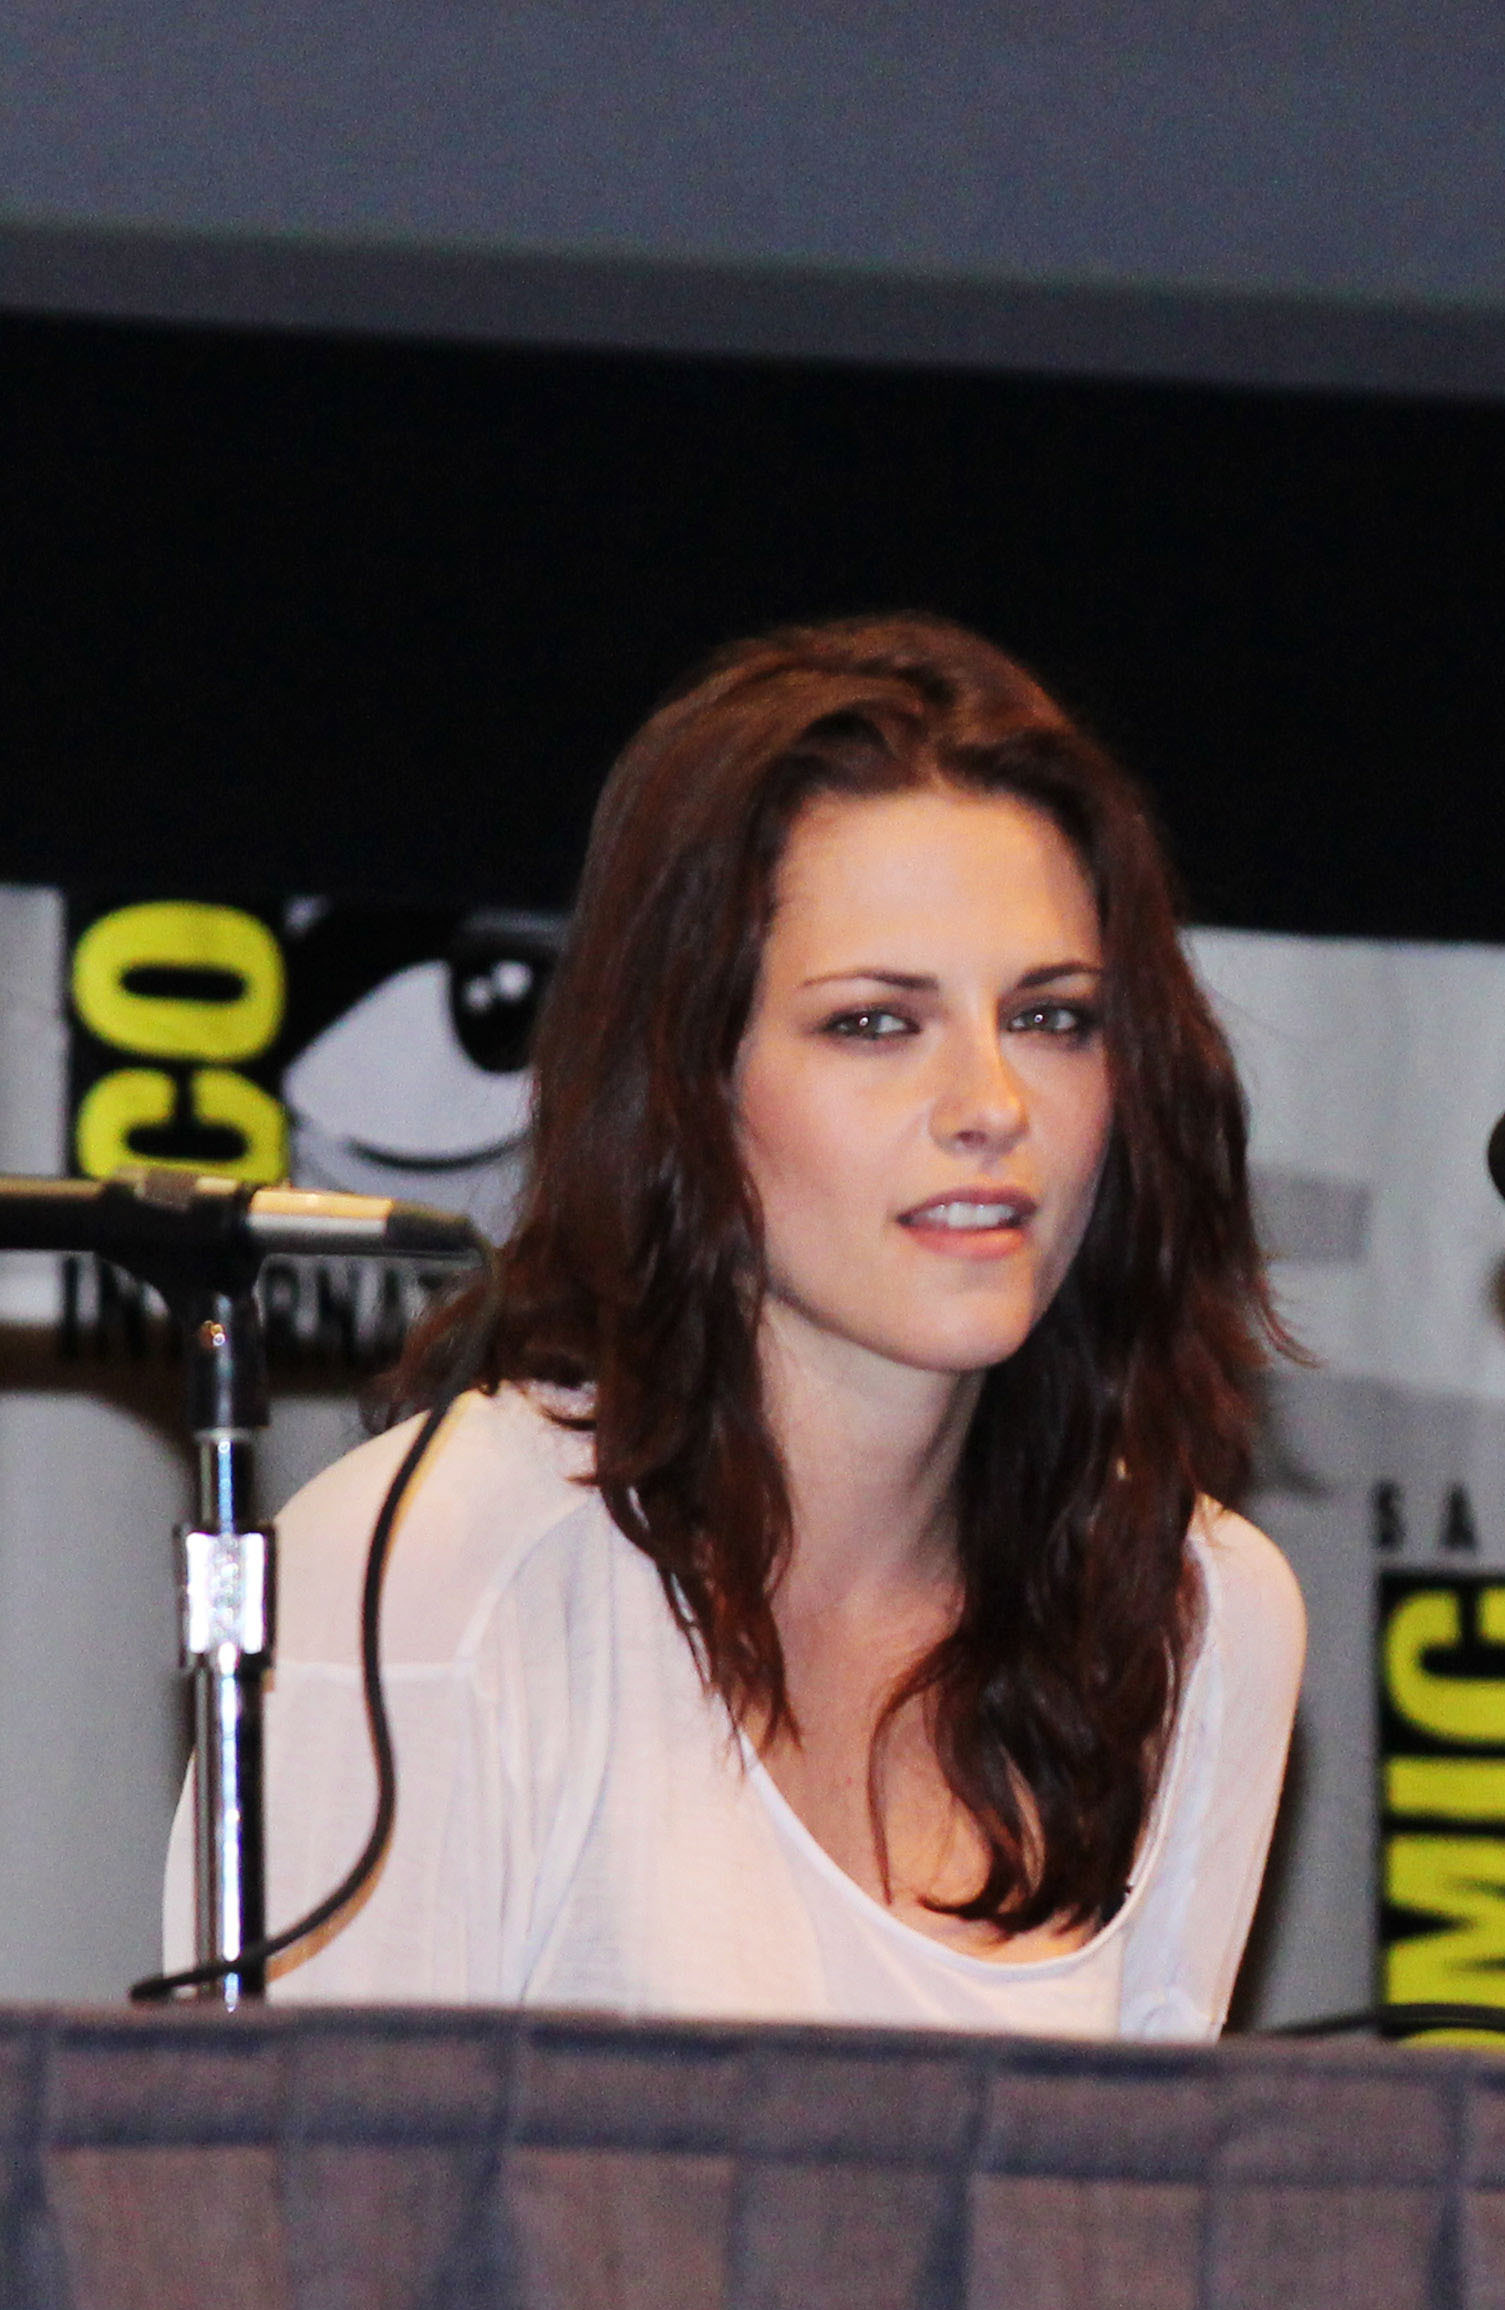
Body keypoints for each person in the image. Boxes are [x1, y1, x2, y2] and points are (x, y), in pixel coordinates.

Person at [168, 615, 1303, 2036]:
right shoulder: (428, 1574)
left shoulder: (1199, 1613)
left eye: (1053, 1019)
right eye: (875, 1025)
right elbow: (288, 2177)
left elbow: (1132, 2187)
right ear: (686, 1081)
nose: (992, 1105)